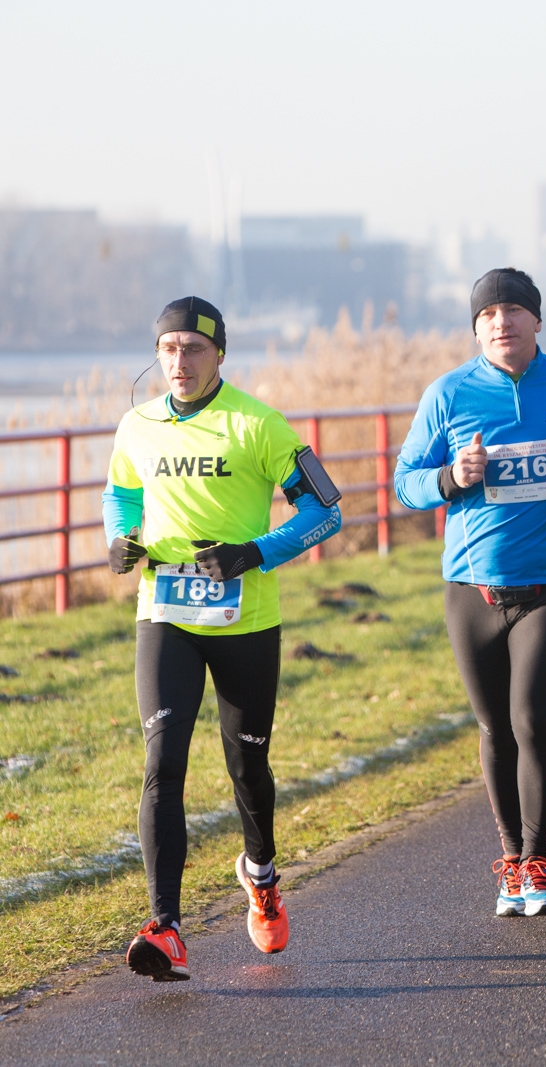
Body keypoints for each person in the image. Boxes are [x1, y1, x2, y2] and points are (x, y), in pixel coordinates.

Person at [104, 297, 344, 981]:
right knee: (163, 757)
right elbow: (120, 493)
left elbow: (327, 510)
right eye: (169, 348)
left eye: (194, 349)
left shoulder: (258, 424)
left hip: (245, 620)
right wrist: (117, 542)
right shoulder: (137, 425)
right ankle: (166, 926)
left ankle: (261, 873)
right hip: (166, 611)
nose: (179, 362)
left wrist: (255, 552)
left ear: (219, 354)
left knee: (248, 769)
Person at [394, 268, 546, 916]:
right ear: (477, 327)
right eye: (489, 314)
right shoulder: (447, 394)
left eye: (514, 311)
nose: (502, 322)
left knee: (532, 716)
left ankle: (542, 854)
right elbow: (404, 481)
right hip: (473, 588)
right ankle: (512, 861)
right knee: (495, 725)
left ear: (537, 321)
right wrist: (449, 476)